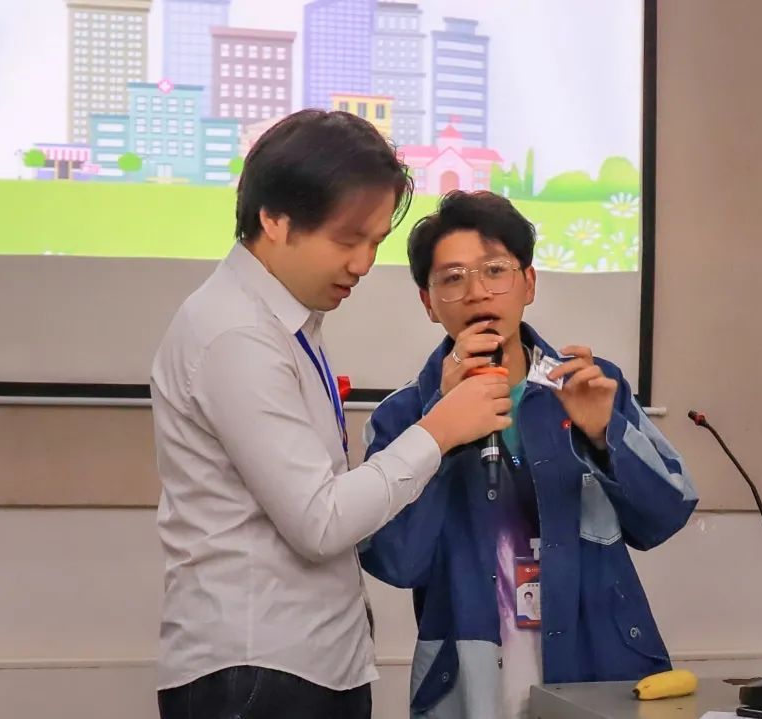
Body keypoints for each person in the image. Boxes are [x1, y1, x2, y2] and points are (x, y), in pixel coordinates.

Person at [150, 111, 511, 719]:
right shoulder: (236, 334)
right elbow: (319, 522)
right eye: (347, 240)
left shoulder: (283, 320)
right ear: (275, 219)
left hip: (302, 661)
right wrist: (441, 428)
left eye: (375, 243)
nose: (363, 264)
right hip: (260, 669)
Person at [359, 190, 698, 719]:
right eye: (452, 278)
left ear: (529, 283)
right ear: (428, 303)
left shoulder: (589, 385)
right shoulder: (403, 415)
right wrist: (441, 430)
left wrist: (604, 435)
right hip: (470, 682)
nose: (477, 292)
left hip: (599, 666)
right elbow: (396, 562)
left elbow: (666, 515)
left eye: (495, 270)